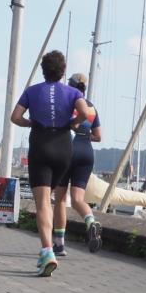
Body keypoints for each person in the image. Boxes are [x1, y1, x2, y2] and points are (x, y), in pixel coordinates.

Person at [10, 50, 89, 277]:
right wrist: (73, 123)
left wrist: (30, 123)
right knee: (57, 199)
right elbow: (85, 112)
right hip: (64, 146)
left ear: (43, 70)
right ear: (63, 71)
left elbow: (15, 117)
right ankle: (58, 242)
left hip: (41, 144)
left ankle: (47, 251)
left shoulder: (32, 91)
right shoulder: (73, 92)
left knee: (43, 203)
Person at [52, 73, 103, 255]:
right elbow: (98, 136)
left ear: (71, 86)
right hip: (86, 153)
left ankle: (59, 245)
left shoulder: (66, 103)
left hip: (68, 150)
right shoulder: (91, 108)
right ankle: (90, 222)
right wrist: (83, 136)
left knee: (60, 199)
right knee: (78, 200)